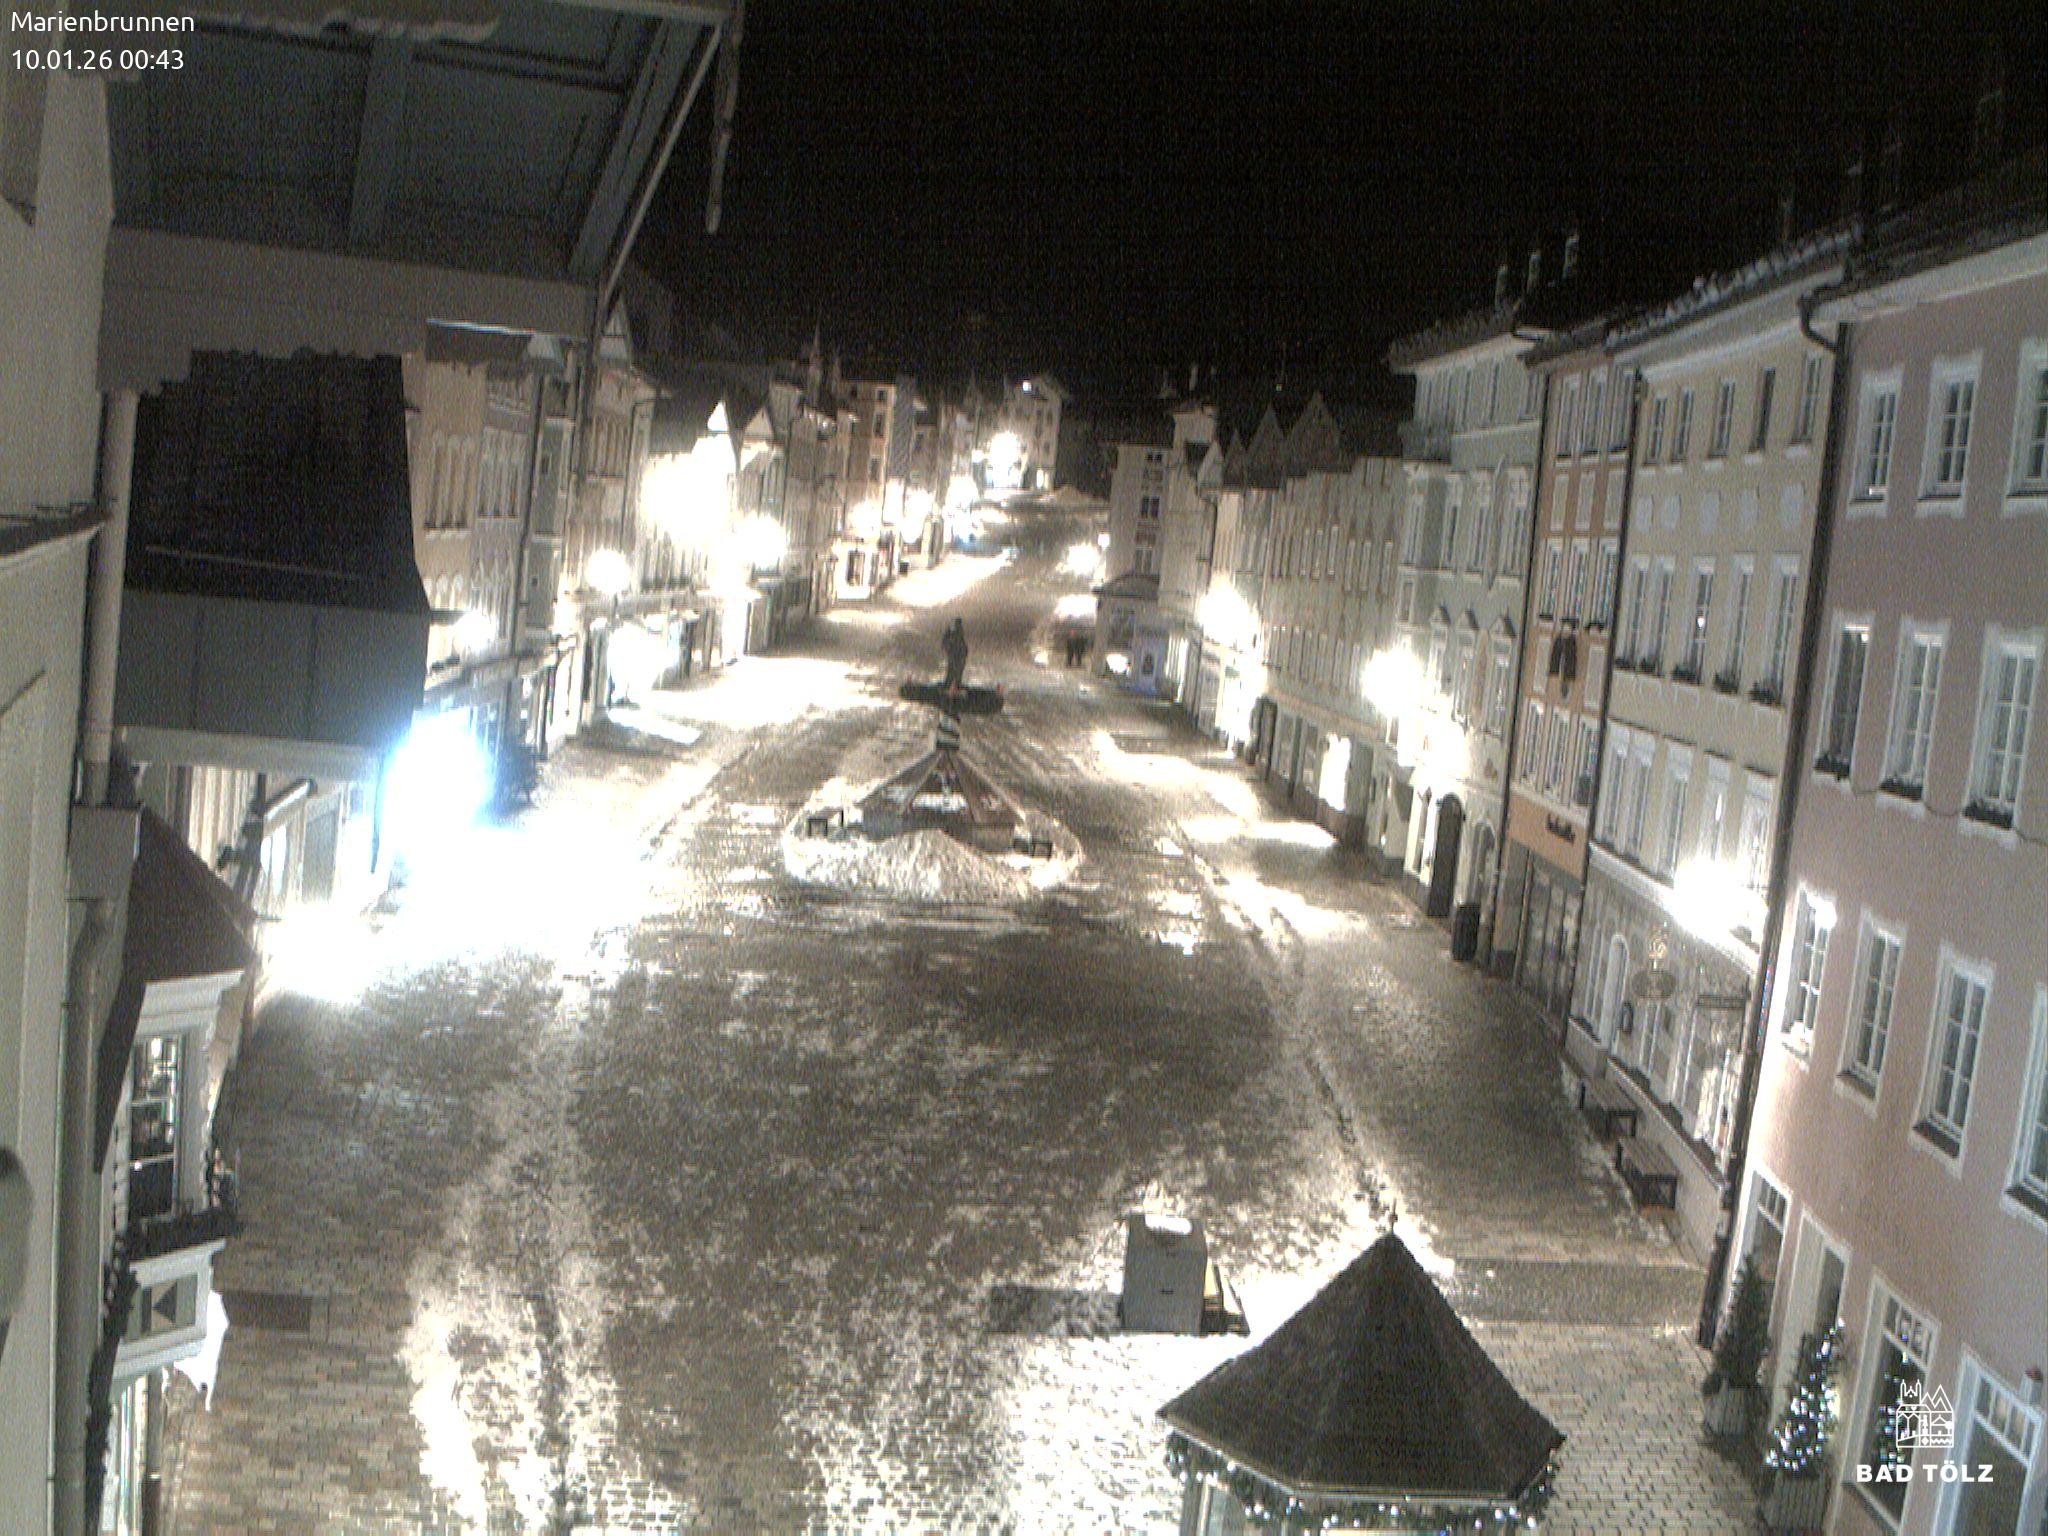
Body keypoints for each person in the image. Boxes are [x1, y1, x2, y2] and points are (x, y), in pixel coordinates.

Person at [941, 617, 969, 690]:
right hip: (958, 655)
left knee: (954, 671)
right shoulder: (957, 633)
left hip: (957, 655)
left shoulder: (956, 633)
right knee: (955, 672)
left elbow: (945, 642)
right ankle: (953, 685)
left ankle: (952, 685)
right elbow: (946, 642)